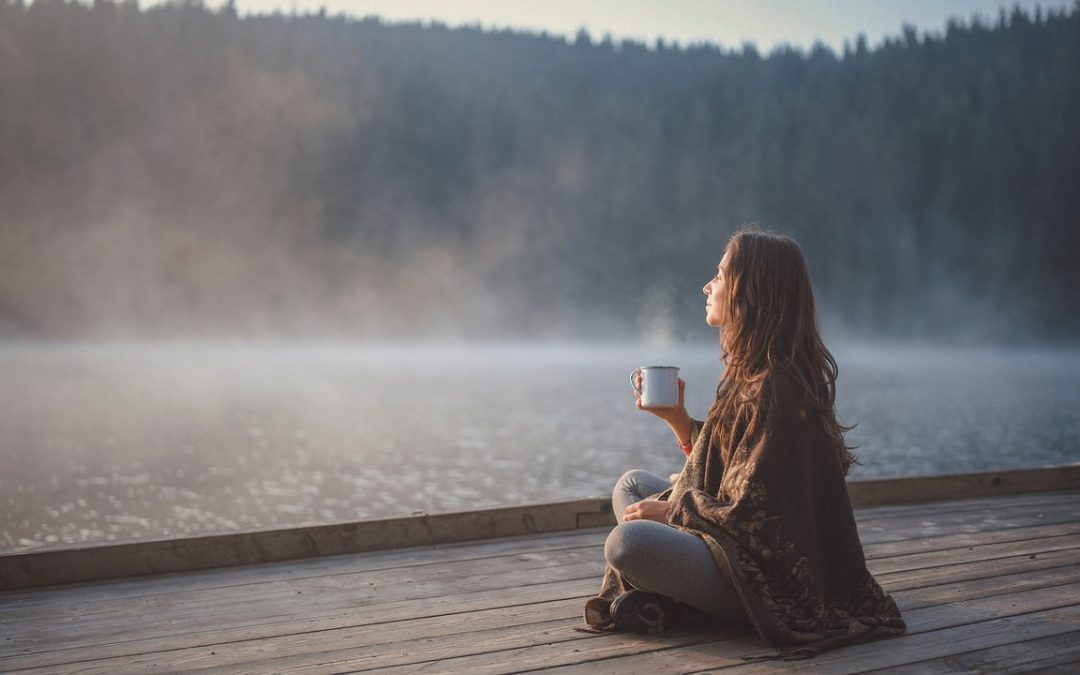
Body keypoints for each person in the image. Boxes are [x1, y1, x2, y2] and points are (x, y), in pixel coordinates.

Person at [581, 229, 906, 660]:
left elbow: (756, 516)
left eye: (719, 275)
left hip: (770, 581)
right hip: (735, 548)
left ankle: (680, 601)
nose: (707, 285)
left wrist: (674, 510)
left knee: (628, 544)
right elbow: (731, 467)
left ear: (750, 291)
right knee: (633, 485)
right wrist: (678, 420)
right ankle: (669, 595)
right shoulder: (754, 373)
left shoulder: (777, 387)